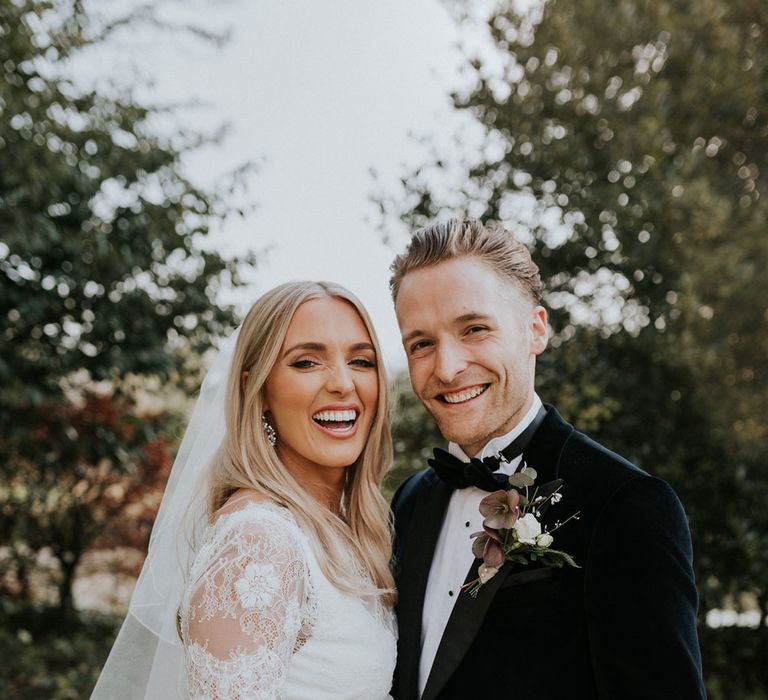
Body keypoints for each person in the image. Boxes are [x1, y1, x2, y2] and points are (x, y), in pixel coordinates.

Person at [388, 219, 705, 700]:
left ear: (536, 330)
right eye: (422, 344)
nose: (447, 368)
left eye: (474, 329)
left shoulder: (627, 506)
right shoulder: (409, 502)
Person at [93, 281, 397, 699]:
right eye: (307, 363)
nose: (343, 383)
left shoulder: (342, 529)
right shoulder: (259, 541)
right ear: (257, 391)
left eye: (361, 361)